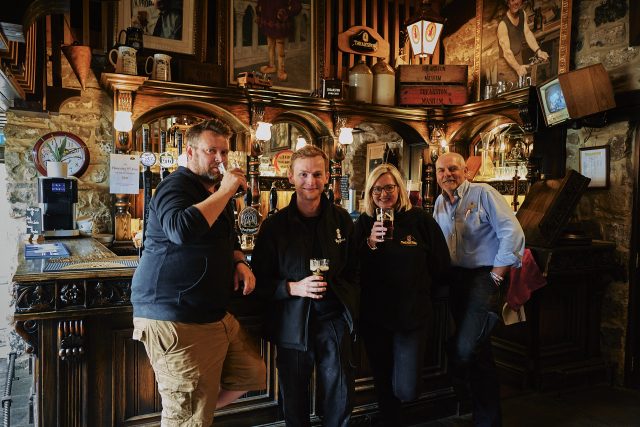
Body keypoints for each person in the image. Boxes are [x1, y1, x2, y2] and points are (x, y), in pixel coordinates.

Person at [131, 118, 266, 426]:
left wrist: (239, 261)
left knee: (250, 373)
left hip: (210, 313)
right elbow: (181, 230)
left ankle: (194, 413)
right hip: (174, 316)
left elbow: (228, 237)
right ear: (190, 152)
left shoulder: (217, 192)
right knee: (186, 414)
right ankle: (190, 415)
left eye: (224, 152)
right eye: (211, 151)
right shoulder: (174, 186)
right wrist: (226, 191)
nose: (219, 159)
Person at [251, 145, 359, 427]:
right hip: (292, 324)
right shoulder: (274, 226)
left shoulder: (342, 220)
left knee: (340, 395)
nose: (311, 181)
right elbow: (259, 282)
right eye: (303, 174)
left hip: (333, 321)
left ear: (327, 177)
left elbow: (355, 270)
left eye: (317, 174)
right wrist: (292, 288)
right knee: (294, 399)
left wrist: (346, 306)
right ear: (290, 177)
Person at [353, 164, 450, 426]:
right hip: (376, 317)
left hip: (411, 316)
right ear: (369, 193)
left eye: (389, 187)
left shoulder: (420, 220)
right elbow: (351, 267)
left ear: (399, 189)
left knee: (406, 388)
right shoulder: (363, 223)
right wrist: (370, 243)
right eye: (377, 189)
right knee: (383, 382)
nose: (383, 194)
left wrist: (425, 293)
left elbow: (441, 264)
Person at [433, 152, 525, 427]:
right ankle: (484, 417)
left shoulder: (483, 193)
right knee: (477, 351)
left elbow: (512, 233)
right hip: (455, 278)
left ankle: (484, 417)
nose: (447, 174)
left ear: (465, 172)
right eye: (441, 170)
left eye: (453, 169)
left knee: (467, 348)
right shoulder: (439, 202)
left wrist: (496, 275)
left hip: (483, 277)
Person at [497, 0, 549, 85]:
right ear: (508, 3)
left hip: (518, 56)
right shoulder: (502, 24)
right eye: (513, 0)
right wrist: (517, 68)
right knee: (513, 90)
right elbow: (507, 52)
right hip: (506, 63)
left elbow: (527, 33)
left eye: (518, 1)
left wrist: (538, 51)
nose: (516, 3)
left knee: (522, 85)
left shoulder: (522, 14)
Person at [256, 0, 301, 81]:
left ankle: (281, 70)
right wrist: (259, 10)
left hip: (279, 23)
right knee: (270, 45)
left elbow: (296, 5)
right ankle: (271, 66)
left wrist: (286, 13)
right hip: (268, 19)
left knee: (280, 48)